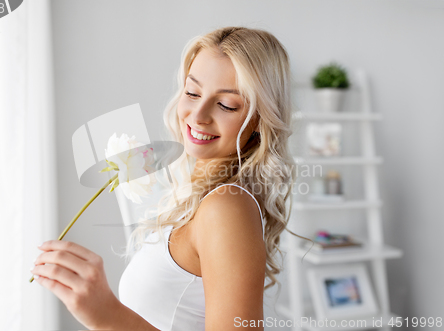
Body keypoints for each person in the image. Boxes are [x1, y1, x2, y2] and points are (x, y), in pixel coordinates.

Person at [31, 26, 296, 330]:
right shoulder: (194, 195)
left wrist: (106, 314)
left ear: (261, 119)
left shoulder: (227, 207)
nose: (198, 115)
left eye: (226, 105)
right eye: (192, 92)